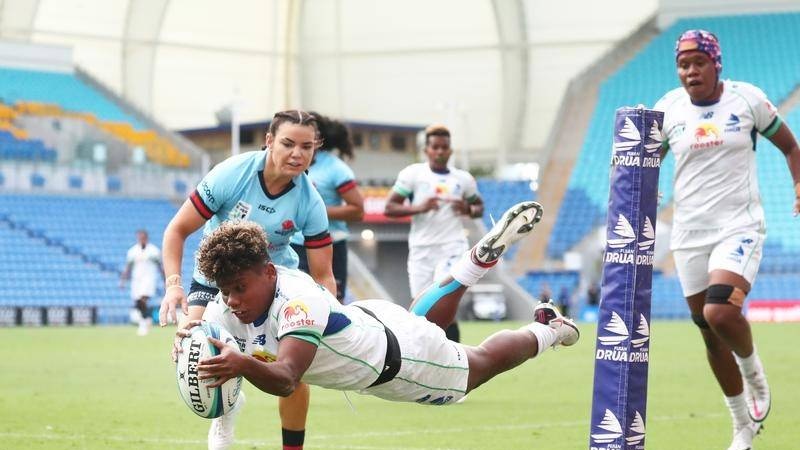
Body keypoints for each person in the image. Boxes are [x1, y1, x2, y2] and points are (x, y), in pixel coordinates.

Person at [178, 201, 578, 419]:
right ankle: (472, 264)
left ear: (269, 271)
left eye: (240, 288)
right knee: (422, 323)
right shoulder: (228, 303)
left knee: (481, 364)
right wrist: (188, 339)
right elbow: (203, 332)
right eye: (226, 291)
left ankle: (548, 328)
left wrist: (242, 365)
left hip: (398, 363)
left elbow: (286, 380)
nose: (232, 300)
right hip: (372, 320)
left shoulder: (298, 301)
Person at [655, 29, 800, 450]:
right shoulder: (668, 109)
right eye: (683, 64)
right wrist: (643, 186)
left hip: (739, 226)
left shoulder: (747, 99)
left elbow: (791, 147)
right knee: (706, 329)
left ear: (716, 64)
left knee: (720, 313)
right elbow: (645, 162)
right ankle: (742, 426)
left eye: (699, 62)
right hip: (688, 235)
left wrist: (797, 185)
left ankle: (755, 374)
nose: (690, 71)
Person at [159, 110, 336, 450]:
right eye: (287, 144)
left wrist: (327, 315)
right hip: (213, 278)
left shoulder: (309, 200)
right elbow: (177, 230)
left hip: (275, 285)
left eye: (306, 147)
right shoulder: (232, 175)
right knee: (193, 346)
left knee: (294, 370)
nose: (297, 154)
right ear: (269, 141)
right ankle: (225, 412)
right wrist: (173, 285)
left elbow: (324, 273)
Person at [384, 124, 485, 342]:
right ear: (426, 150)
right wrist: (419, 208)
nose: (440, 152)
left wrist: (467, 209)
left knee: (443, 299)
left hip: (452, 246)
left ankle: (454, 353)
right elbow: (389, 208)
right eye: (435, 147)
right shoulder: (413, 174)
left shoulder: (463, 179)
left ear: (450, 150)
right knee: (421, 307)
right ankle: (426, 353)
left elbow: (479, 208)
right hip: (421, 249)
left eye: (444, 147)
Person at [290, 113, 364, 303]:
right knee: (294, 303)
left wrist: (316, 211)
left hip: (332, 245)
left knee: (331, 305)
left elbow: (358, 210)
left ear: (317, 139)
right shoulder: (288, 163)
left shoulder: (336, 169)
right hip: (295, 245)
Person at [119, 229, 161, 336]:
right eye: (139, 237)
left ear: (146, 237)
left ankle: (143, 323)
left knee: (143, 299)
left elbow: (160, 266)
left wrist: (166, 279)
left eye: (143, 237)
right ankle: (147, 318)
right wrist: (123, 281)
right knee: (138, 302)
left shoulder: (154, 251)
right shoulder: (132, 251)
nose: (141, 239)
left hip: (149, 279)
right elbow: (128, 267)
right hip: (136, 280)